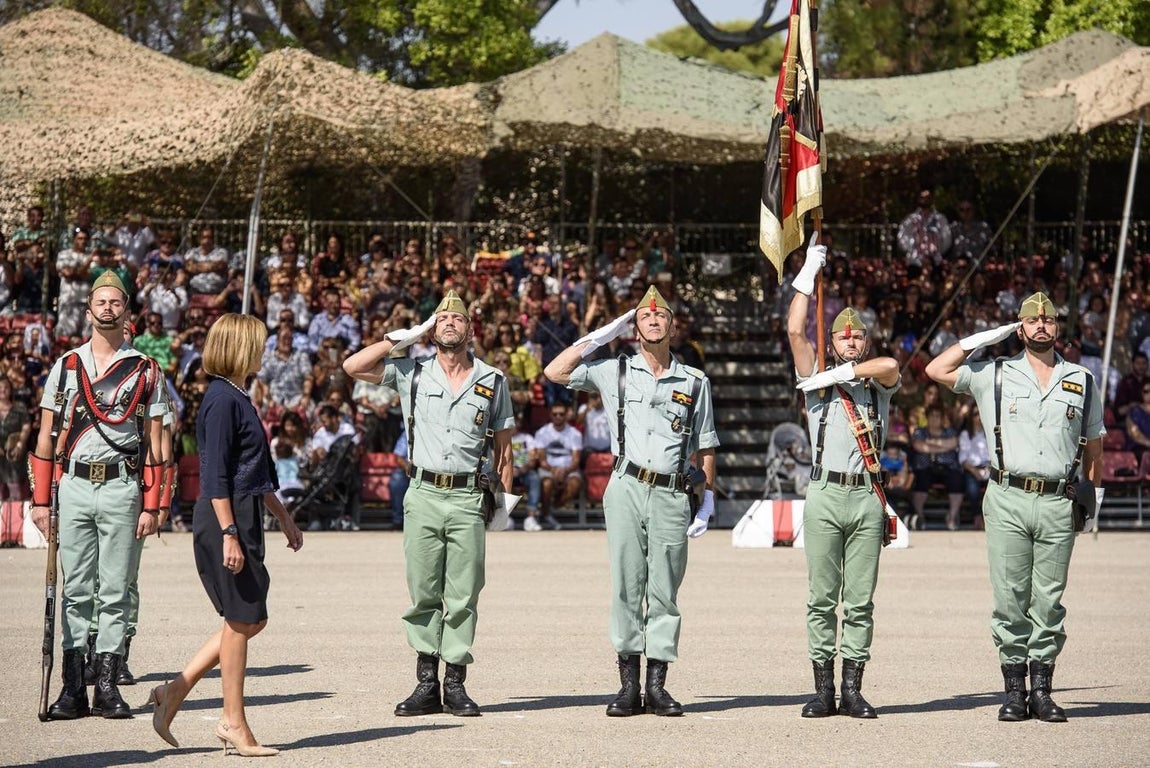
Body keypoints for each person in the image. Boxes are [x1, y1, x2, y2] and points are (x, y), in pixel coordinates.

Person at [925, 291, 1104, 723]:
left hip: (1058, 500)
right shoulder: (995, 373)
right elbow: (936, 369)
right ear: (1019, 329)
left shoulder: (1081, 378)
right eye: (1031, 321)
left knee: (1049, 600)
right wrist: (983, 338)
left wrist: (1089, 497)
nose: (1041, 325)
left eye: (1049, 320)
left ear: (1057, 327)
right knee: (1009, 598)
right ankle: (1013, 692)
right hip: (1007, 497)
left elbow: (1095, 446)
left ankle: (1041, 691)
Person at [543, 285, 717, 718]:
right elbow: (555, 372)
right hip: (626, 487)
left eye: (660, 316)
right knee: (626, 584)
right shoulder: (613, 369)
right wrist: (601, 335)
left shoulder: (695, 381)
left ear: (672, 326)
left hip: (672, 491)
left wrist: (707, 497)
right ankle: (627, 687)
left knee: (665, 588)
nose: (653, 321)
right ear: (634, 327)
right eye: (644, 317)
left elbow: (706, 446)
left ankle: (657, 687)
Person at [343, 289, 514, 717]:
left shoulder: (493, 380)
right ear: (431, 330)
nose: (450, 323)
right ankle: (425, 683)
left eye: (457, 318)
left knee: (464, 592)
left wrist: (504, 508)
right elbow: (352, 367)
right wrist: (399, 337)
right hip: (422, 493)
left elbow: (505, 451)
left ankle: (455, 682)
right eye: (441, 320)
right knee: (423, 591)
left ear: (471, 329)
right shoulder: (411, 371)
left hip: (468, 495)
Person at [145, 313, 304, 754]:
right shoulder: (221, 399)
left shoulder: (238, 395)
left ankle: (174, 690)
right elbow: (215, 474)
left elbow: (255, 472)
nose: (263, 351)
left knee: (252, 618)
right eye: (257, 344)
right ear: (239, 346)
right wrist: (230, 532)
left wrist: (284, 517)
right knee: (240, 620)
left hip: (244, 514)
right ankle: (233, 723)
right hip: (224, 519)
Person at [30, 272, 168, 720]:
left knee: (114, 590)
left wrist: (154, 505)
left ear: (127, 310)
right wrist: (41, 501)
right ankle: (72, 687)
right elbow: (46, 435)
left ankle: (107, 683)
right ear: (88, 311)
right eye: (100, 302)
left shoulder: (147, 369)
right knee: (74, 591)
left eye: (116, 302)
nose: (108, 308)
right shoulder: (66, 366)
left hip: (121, 486)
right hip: (72, 486)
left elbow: (154, 441)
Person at [785, 235, 901, 719]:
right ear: (831, 343)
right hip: (826, 493)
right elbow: (794, 330)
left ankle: (853, 687)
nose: (850, 340)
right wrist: (808, 273)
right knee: (820, 598)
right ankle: (823, 689)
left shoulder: (876, 384)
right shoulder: (814, 380)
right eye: (842, 337)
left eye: (857, 336)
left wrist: (843, 374)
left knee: (859, 599)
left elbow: (893, 365)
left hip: (866, 497)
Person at [909, 403, 965, 531]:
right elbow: (918, 446)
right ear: (927, 417)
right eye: (932, 416)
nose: (935, 418)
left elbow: (954, 443)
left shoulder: (949, 431)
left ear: (942, 418)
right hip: (926, 467)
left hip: (947, 467)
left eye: (938, 416)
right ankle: (920, 516)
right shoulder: (920, 431)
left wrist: (929, 443)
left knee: (957, 479)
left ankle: (952, 515)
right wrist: (943, 446)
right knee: (921, 480)